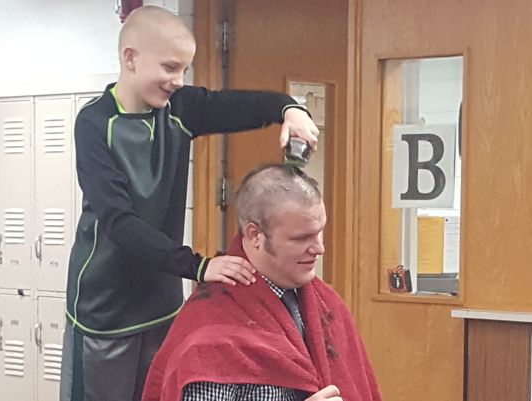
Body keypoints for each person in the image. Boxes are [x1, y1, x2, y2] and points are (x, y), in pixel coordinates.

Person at [59, 5, 319, 401]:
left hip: (161, 305)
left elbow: (242, 105)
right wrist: (199, 266)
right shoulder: (95, 124)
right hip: (104, 308)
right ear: (130, 58)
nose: (177, 81)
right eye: (169, 68)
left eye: (184, 70)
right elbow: (119, 222)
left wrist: (290, 108)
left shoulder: (179, 108)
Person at [142, 164, 381, 401]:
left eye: (319, 232)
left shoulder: (329, 304)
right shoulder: (209, 336)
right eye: (302, 238)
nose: (319, 248)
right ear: (255, 235)